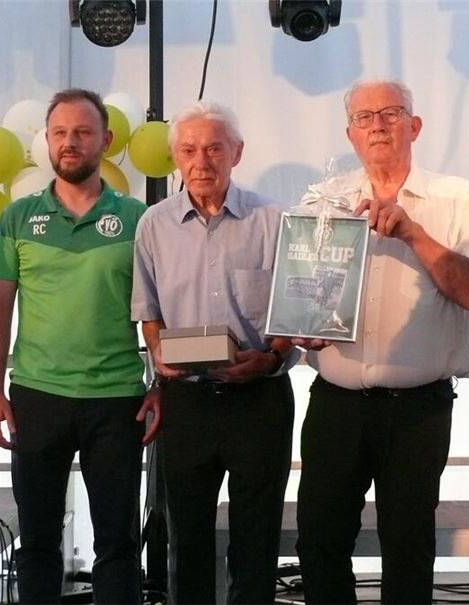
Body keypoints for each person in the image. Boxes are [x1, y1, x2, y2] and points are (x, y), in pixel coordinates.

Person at [293, 79, 469, 605]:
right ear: (350, 134)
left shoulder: (458, 198)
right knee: (319, 542)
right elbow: (302, 292)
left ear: (415, 126)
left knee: (408, 549)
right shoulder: (323, 200)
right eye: (364, 117)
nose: (377, 125)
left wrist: (412, 232)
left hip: (417, 409)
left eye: (391, 113)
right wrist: (302, 323)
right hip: (335, 403)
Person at [0, 88, 155, 605]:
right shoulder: (17, 217)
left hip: (117, 398)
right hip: (37, 396)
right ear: (47, 140)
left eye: (82, 132)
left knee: (118, 545)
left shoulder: (138, 218)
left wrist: (163, 384)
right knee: (37, 543)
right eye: (60, 132)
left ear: (106, 139)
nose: (70, 142)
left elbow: (159, 309)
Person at [131, 100, 296, 605]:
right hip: (187, 402)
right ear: (175, 157)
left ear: (236, 153)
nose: (201, 161)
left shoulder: (273, 219)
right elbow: (148, 311)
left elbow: (293, 311)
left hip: (260, 401)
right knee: (186, 541)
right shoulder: (153, 225)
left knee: (257, 540)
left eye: (214, 149)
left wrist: (271, 359)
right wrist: (158, 352)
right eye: (188, 150)